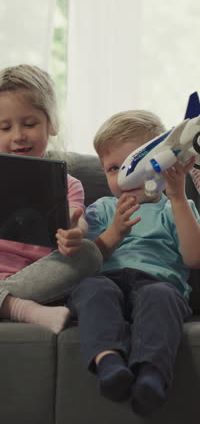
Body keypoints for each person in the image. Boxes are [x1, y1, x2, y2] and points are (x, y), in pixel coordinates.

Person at [0, 64, 102, 332]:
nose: (18, 136)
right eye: (5, 127)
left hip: (30, 285)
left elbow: (76, 224)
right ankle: (14, 309)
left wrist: (74, 233)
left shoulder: (68, 184)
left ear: (52, 124)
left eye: (30, 123)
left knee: (90, 253)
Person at [67, 110, 200, 415]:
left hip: (158, 283)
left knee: (160, 297)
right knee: (90, 288)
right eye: (113, 168)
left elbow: (194, 258)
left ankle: (152, 375)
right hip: (107, 280)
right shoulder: (102, 208)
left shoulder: (176, 206)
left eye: (134, 165)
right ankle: (109, 362)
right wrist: (94, 231)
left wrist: (178, 198)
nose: (125, 177)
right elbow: (87, 256)